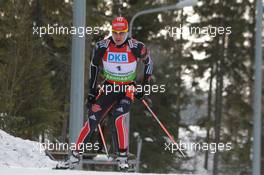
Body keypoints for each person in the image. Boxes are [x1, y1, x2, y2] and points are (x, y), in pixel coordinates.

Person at [68, 16, 153, 170]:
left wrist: (144, 87)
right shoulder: (102, 45)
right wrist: (92, 92)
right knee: (92, 120)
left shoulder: (136, 46)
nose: (118, 36)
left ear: (126, 32)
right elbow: (94, 66)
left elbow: (149, 63)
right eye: (115, 32)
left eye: (121, 33)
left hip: (127, 88)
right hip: (109, 87)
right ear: (111, 31)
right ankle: (73, 158)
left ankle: (122, 159)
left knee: (118, 118)